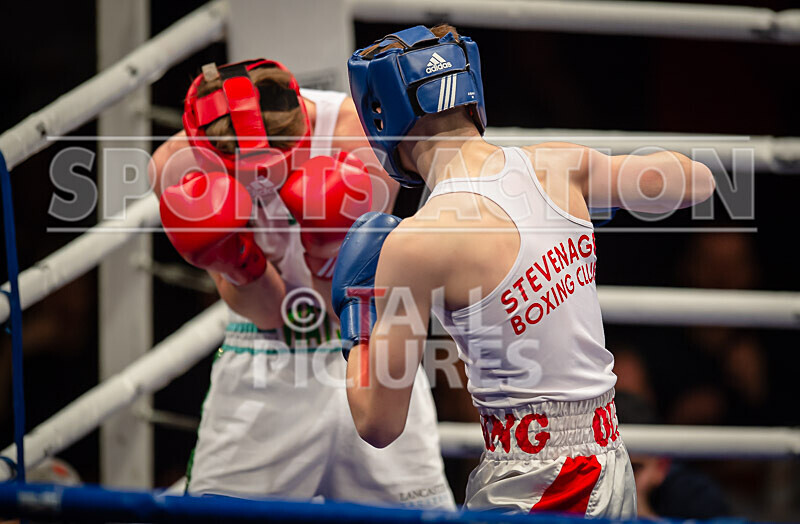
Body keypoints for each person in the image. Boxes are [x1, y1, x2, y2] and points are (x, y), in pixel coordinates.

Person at [332, 24, 716, 516]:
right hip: (611, 461)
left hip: (537, 482)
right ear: (471, 95)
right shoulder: (558, 166)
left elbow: (379, 425)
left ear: (380, 115)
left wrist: (357, 323)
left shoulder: (417, 243)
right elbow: (700, 182)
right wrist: (608, 194)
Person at [149, 58, 455, 509]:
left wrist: (328, 252)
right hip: (262, 356)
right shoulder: (177, 166)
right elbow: (269, 311)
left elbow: (342, 302)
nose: (260, 183)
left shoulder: (357, 136)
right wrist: (238, 264)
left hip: (365, 346)